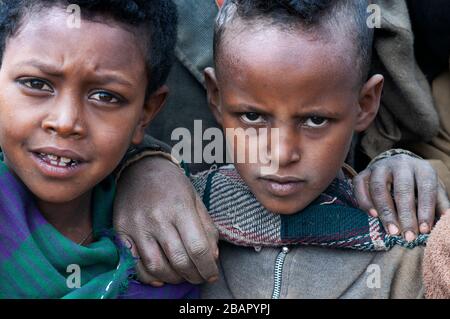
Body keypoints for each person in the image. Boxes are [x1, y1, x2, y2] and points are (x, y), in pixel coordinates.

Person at [112, 0, 450, 288]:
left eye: (315, 120)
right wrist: (137, 163)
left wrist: (405, 170)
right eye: (253, 117)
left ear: (366, 104)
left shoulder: (396, 250)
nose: (281, 154)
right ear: (217, 96)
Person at [0, 0, 197, 299]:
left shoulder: (170, 248)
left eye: (105, 96)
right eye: (36, 83)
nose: (65, 122)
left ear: (146, 113)